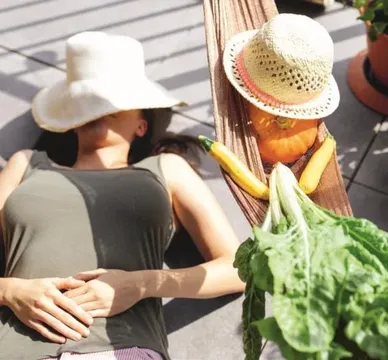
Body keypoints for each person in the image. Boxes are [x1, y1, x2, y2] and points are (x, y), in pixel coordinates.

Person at [0, 31, 245, 360]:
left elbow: (239, 269)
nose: (99, 109)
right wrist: (10, 290)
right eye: (89, 101)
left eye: (115, 100)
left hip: (121, 348)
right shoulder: (27, 164)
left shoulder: (165, 168)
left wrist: (140, 285)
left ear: (141, 124)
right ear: (72, 121)